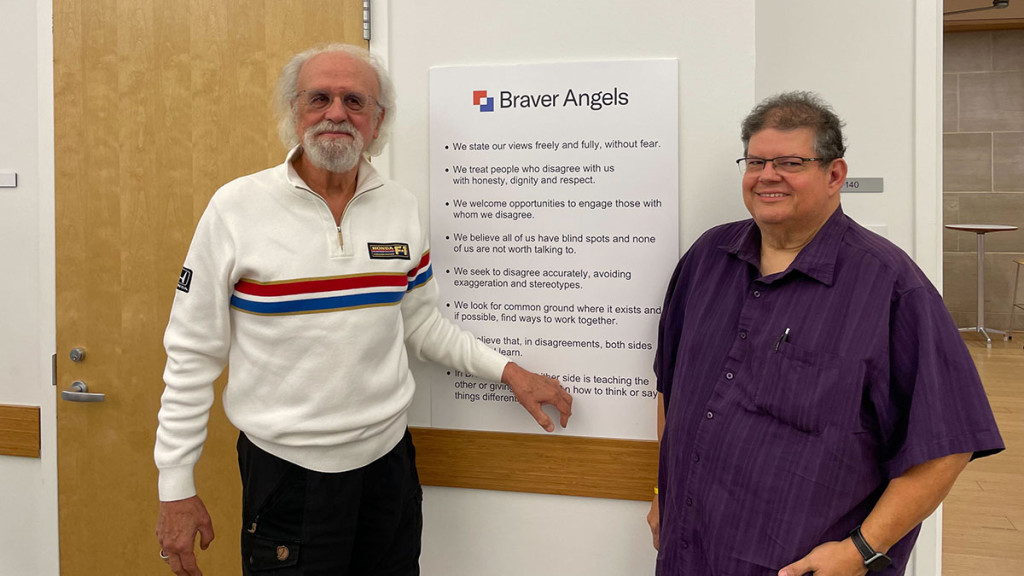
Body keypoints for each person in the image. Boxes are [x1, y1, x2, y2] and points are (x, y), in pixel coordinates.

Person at [154, 43, 572, 576]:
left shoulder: (399, 206)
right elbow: (192, 354)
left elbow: (420, 321)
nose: (336, 113)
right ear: (294, 112)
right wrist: (175, 484)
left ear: (378, 122)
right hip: (288, 477)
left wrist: (508, 372)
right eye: (319, 98)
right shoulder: (236, 210)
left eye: (355, 101)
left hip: (389, 470)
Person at [646, 91, 1003, 576]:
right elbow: (672, 390)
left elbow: (949, 440)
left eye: (790, 162)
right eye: (755, 161)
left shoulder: (891, 285)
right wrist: (661, 493)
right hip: (690, 551)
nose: (767, 176)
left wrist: (861, 551)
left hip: (802, 566)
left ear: (835, 175)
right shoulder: (708, 258)